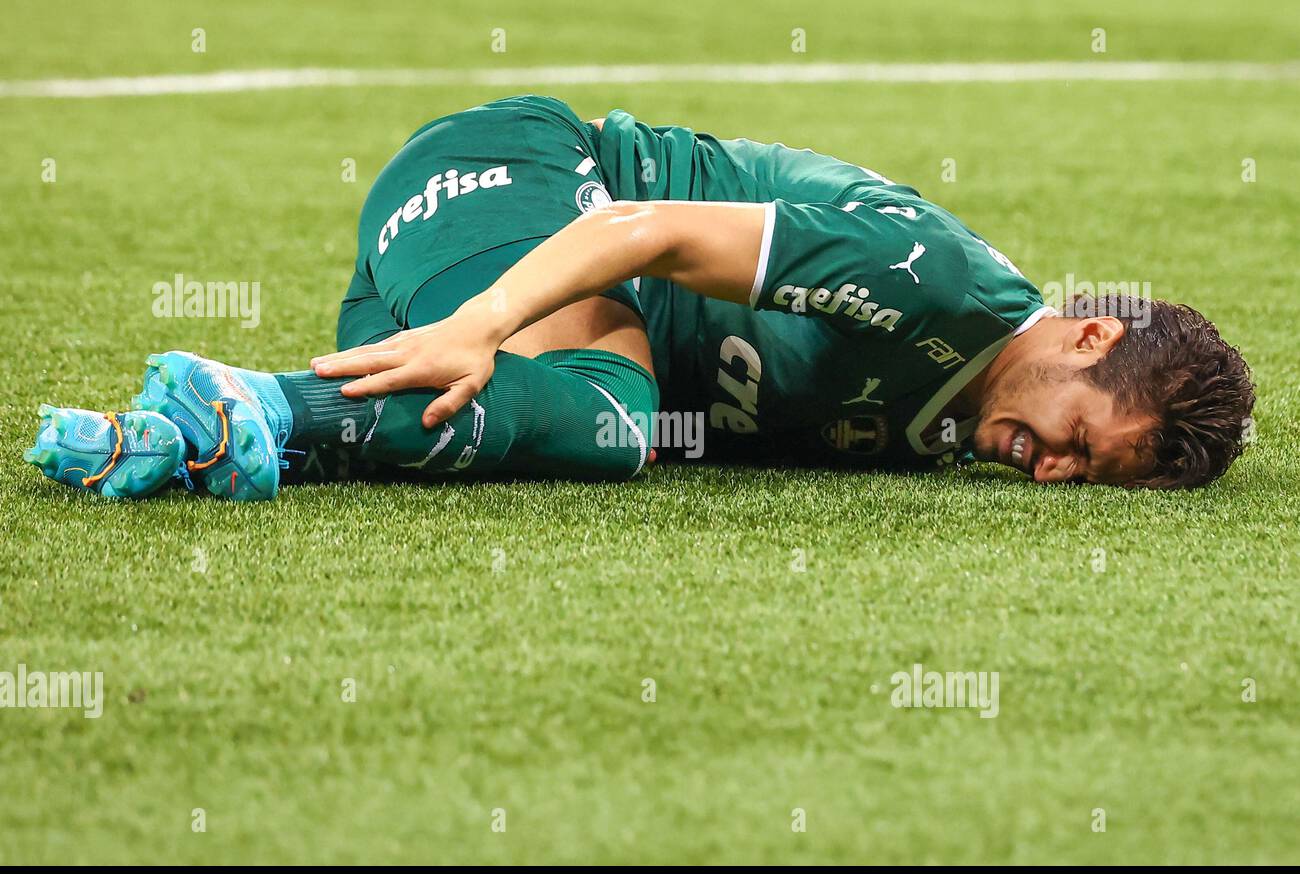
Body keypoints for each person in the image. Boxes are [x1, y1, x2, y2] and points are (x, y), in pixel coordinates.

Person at [27, 96, 1254, 499]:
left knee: (537, 420)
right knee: (612, 422)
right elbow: (644, 226)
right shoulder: (926, 284)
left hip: (501, 281)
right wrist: (479, 324)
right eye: (1083, 442)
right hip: (518, 181)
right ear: (1090, 333)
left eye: (1089, 478)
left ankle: (206, 434)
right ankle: (239, 407)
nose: (1052, 472)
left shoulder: (955, 412)